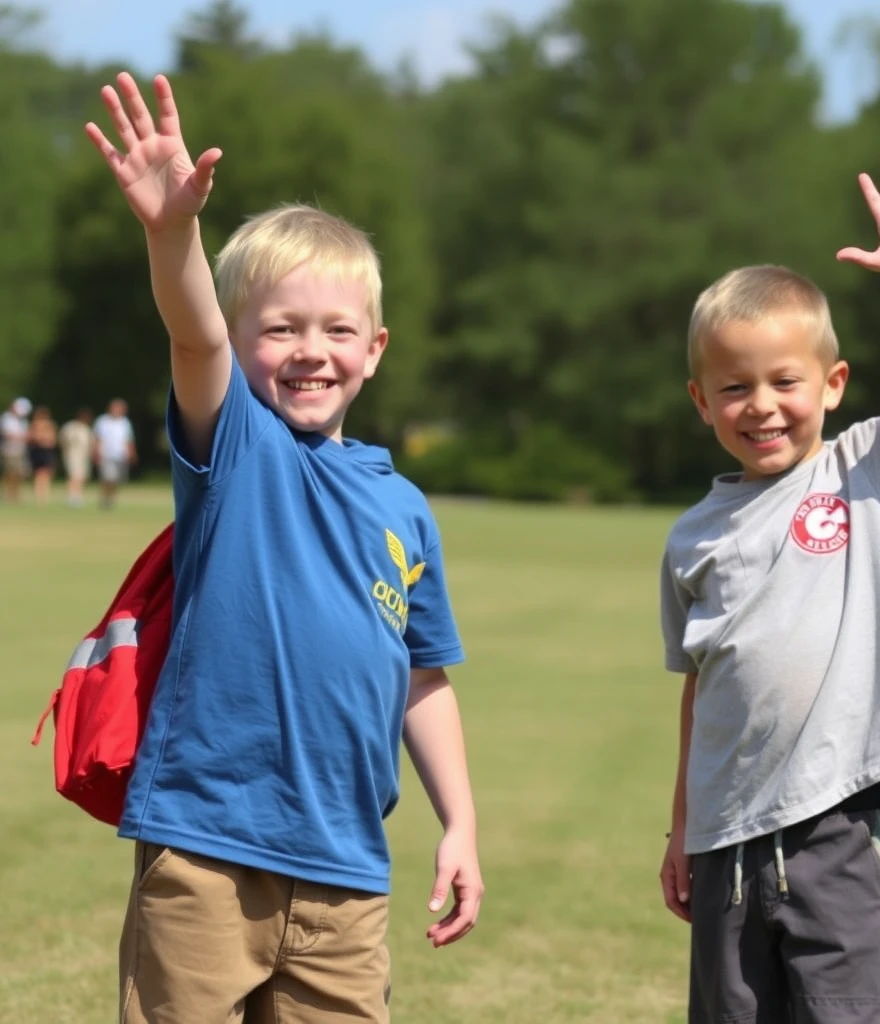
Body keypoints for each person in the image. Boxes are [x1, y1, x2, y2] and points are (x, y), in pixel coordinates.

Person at [86, 71, 483, 1023]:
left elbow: (423, 677)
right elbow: (191, 335)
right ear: (238, 338)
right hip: (208, 852)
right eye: (280, 329)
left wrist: (461, 821)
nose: (311, 350)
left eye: (337, 330)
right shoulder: (236, 448)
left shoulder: (405, 507)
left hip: (348, 869)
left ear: (375, 348)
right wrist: (170, 231)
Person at [659, 154, 880, 1024]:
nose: (761, 406)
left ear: (832, 385)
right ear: (702, 401)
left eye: (784, 382)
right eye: (734, 387)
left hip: (838, 833)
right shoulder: (692, 537)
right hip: (724, 845)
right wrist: (680, 831)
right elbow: (702, 689)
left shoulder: (869, 468)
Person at [91, 397, 136, 508]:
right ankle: (104, 498)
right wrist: (96, 452)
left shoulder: (125, 423)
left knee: (117, 479)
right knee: (108, 477)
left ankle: (110, 498)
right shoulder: (102, 421)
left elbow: (128, 440)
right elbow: (97, 439)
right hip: (106, 454)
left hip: (120, 455)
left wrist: (131, 453)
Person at [59, 408, 94, 506]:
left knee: (81, 477)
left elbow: (90, 444)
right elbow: (63, 441)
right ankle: (71, 497)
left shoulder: (86, 429)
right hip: (72, 455)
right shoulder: (70, 427)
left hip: (84, 456)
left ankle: (78, 495)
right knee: (74, 476)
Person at [26, 405, 59, 504]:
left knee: (46, 473)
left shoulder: (50, 425)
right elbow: (32, 437)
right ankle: (39, 496)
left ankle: (44, 495)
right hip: (37, 451)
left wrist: (43, 439)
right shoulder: (34, 425)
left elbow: (52, 440)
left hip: (46, 451)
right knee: (39, 473)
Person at [1, 396, 31, 503]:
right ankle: (8, 495)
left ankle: (16, 495)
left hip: (20, 449)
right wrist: (21, 436)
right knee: (9, 473)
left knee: (20, 473)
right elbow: (8, 435)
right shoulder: (6, 418)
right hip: (9, 450)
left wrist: (21, 437)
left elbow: (27, 436)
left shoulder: (23, 421)